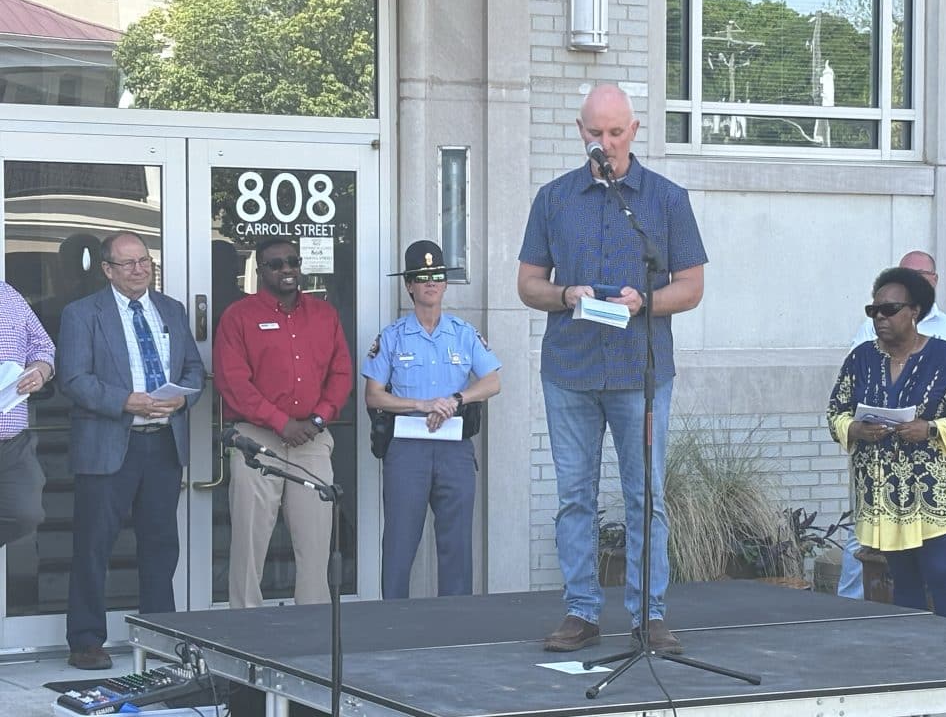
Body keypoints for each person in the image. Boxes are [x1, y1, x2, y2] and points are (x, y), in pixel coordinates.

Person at [517, 84, 707, 653]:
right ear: (580, 133)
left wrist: (643, 301)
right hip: (569, 369)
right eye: (595, 133)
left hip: (639, 372)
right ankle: (581, 611)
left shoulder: (666, 199)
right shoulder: (553, 199)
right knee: (575, 495)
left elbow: (692, 287)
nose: (606, 143)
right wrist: (563, 293)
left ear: (635, 130)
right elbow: (527, 284)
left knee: (644, 495)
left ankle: (649, 615)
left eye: (616, 132)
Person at [58, 231, 205, 670]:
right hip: (107, 445)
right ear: (107, 270)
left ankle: (162, 636)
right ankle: (86, 640)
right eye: (129, 263)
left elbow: (194, 368)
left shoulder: (172, 310)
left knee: (162, 545)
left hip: (161, 443)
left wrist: (184, 397)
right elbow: (73, 379)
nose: (140, 270)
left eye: (145, 261)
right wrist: (126, 400)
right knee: (93, 546)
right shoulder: (82, 314)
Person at [827, 267, 946, 621]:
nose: (879, 318)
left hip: (936, 494)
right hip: (885, 495)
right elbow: (834, 411)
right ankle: (918, 656)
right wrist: (855, 429)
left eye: (889, 310)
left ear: (914, 312)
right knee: (903, 579)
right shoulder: (861, 359)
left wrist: (929, 429)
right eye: (874, 311)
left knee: (941, 574)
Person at [214, 238, 352, 609]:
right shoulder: (238, 317)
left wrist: (319, 417)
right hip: (256, 441)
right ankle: (246, 630)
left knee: (315, 542)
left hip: (311, 439)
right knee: (249, 542)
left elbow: (341, 373)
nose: (286, 269)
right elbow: (233, 383)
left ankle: (312, 629)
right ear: (260, 271)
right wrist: (280, 422)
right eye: (276, 264)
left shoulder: (324, 315)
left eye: (292, 261)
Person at [362, 240, 501, 599]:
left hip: (454, 447)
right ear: (409, 284)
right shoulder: (392, 337)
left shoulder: (464, 333)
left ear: (445, 282)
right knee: (399, 541)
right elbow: (373, 395)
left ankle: (454, 624)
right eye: (422, 277)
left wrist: (457, 398)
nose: (431, 282)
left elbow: (492, 382)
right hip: (407, 447)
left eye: (437, 275)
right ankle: (391, 622)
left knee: (456, 543)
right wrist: (421, 405)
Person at [0, 281, 54, 548]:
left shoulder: (9, 294)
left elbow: (42, 346)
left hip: (11, 440)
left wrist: (40, 370)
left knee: (25, 514)